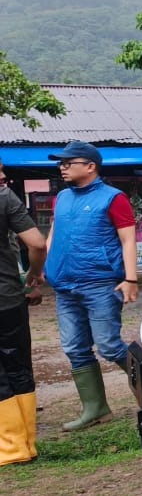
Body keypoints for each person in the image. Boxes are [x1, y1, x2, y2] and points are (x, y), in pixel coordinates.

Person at [43, 142, 138, 432]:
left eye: (69, 162)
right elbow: (54, 233)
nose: (62, 167)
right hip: (66, 287)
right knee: (74, 347)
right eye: (61, 163)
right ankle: (96, 409)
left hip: (100, 283)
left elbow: (128, 240)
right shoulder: (61, 197)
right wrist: (49, 265)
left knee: (109, 345)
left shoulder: (113, 198)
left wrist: (131, 278)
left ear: (90, 166)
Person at [0, 158, 48, 465]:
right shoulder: (5, 198)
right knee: (18, 364)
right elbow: (37, 243)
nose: (3, 175)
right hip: (8, 298)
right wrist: (33, 276)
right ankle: (26, 443)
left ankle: (9, 448)